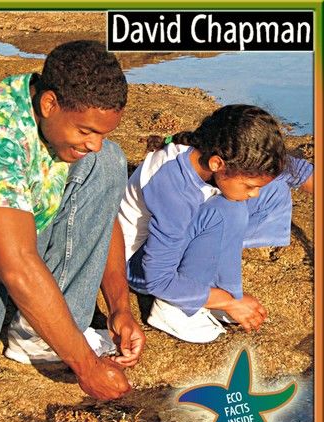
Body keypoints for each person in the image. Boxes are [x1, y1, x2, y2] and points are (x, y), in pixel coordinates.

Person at [0, 40, 145, 413]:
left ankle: (39, 336)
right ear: (49, 104)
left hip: (21, 234)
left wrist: (120, 307)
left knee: (108, 163)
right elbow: (17, 266)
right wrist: (86, 366)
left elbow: (104, 219)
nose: (94, 143)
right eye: (87, 131)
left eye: (102, 132)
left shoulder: (59, 123)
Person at [118, 104, 313, 343]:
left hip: (172, 241)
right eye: (249, 186)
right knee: (228, 211)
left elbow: (299, 171)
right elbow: (157, 277)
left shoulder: (215, 150)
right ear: (217, 164)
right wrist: (230, 301)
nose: (253, 194)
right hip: (139, 266)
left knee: (273, 188)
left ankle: (210, 286)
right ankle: (176, 309)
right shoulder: (175, 188)